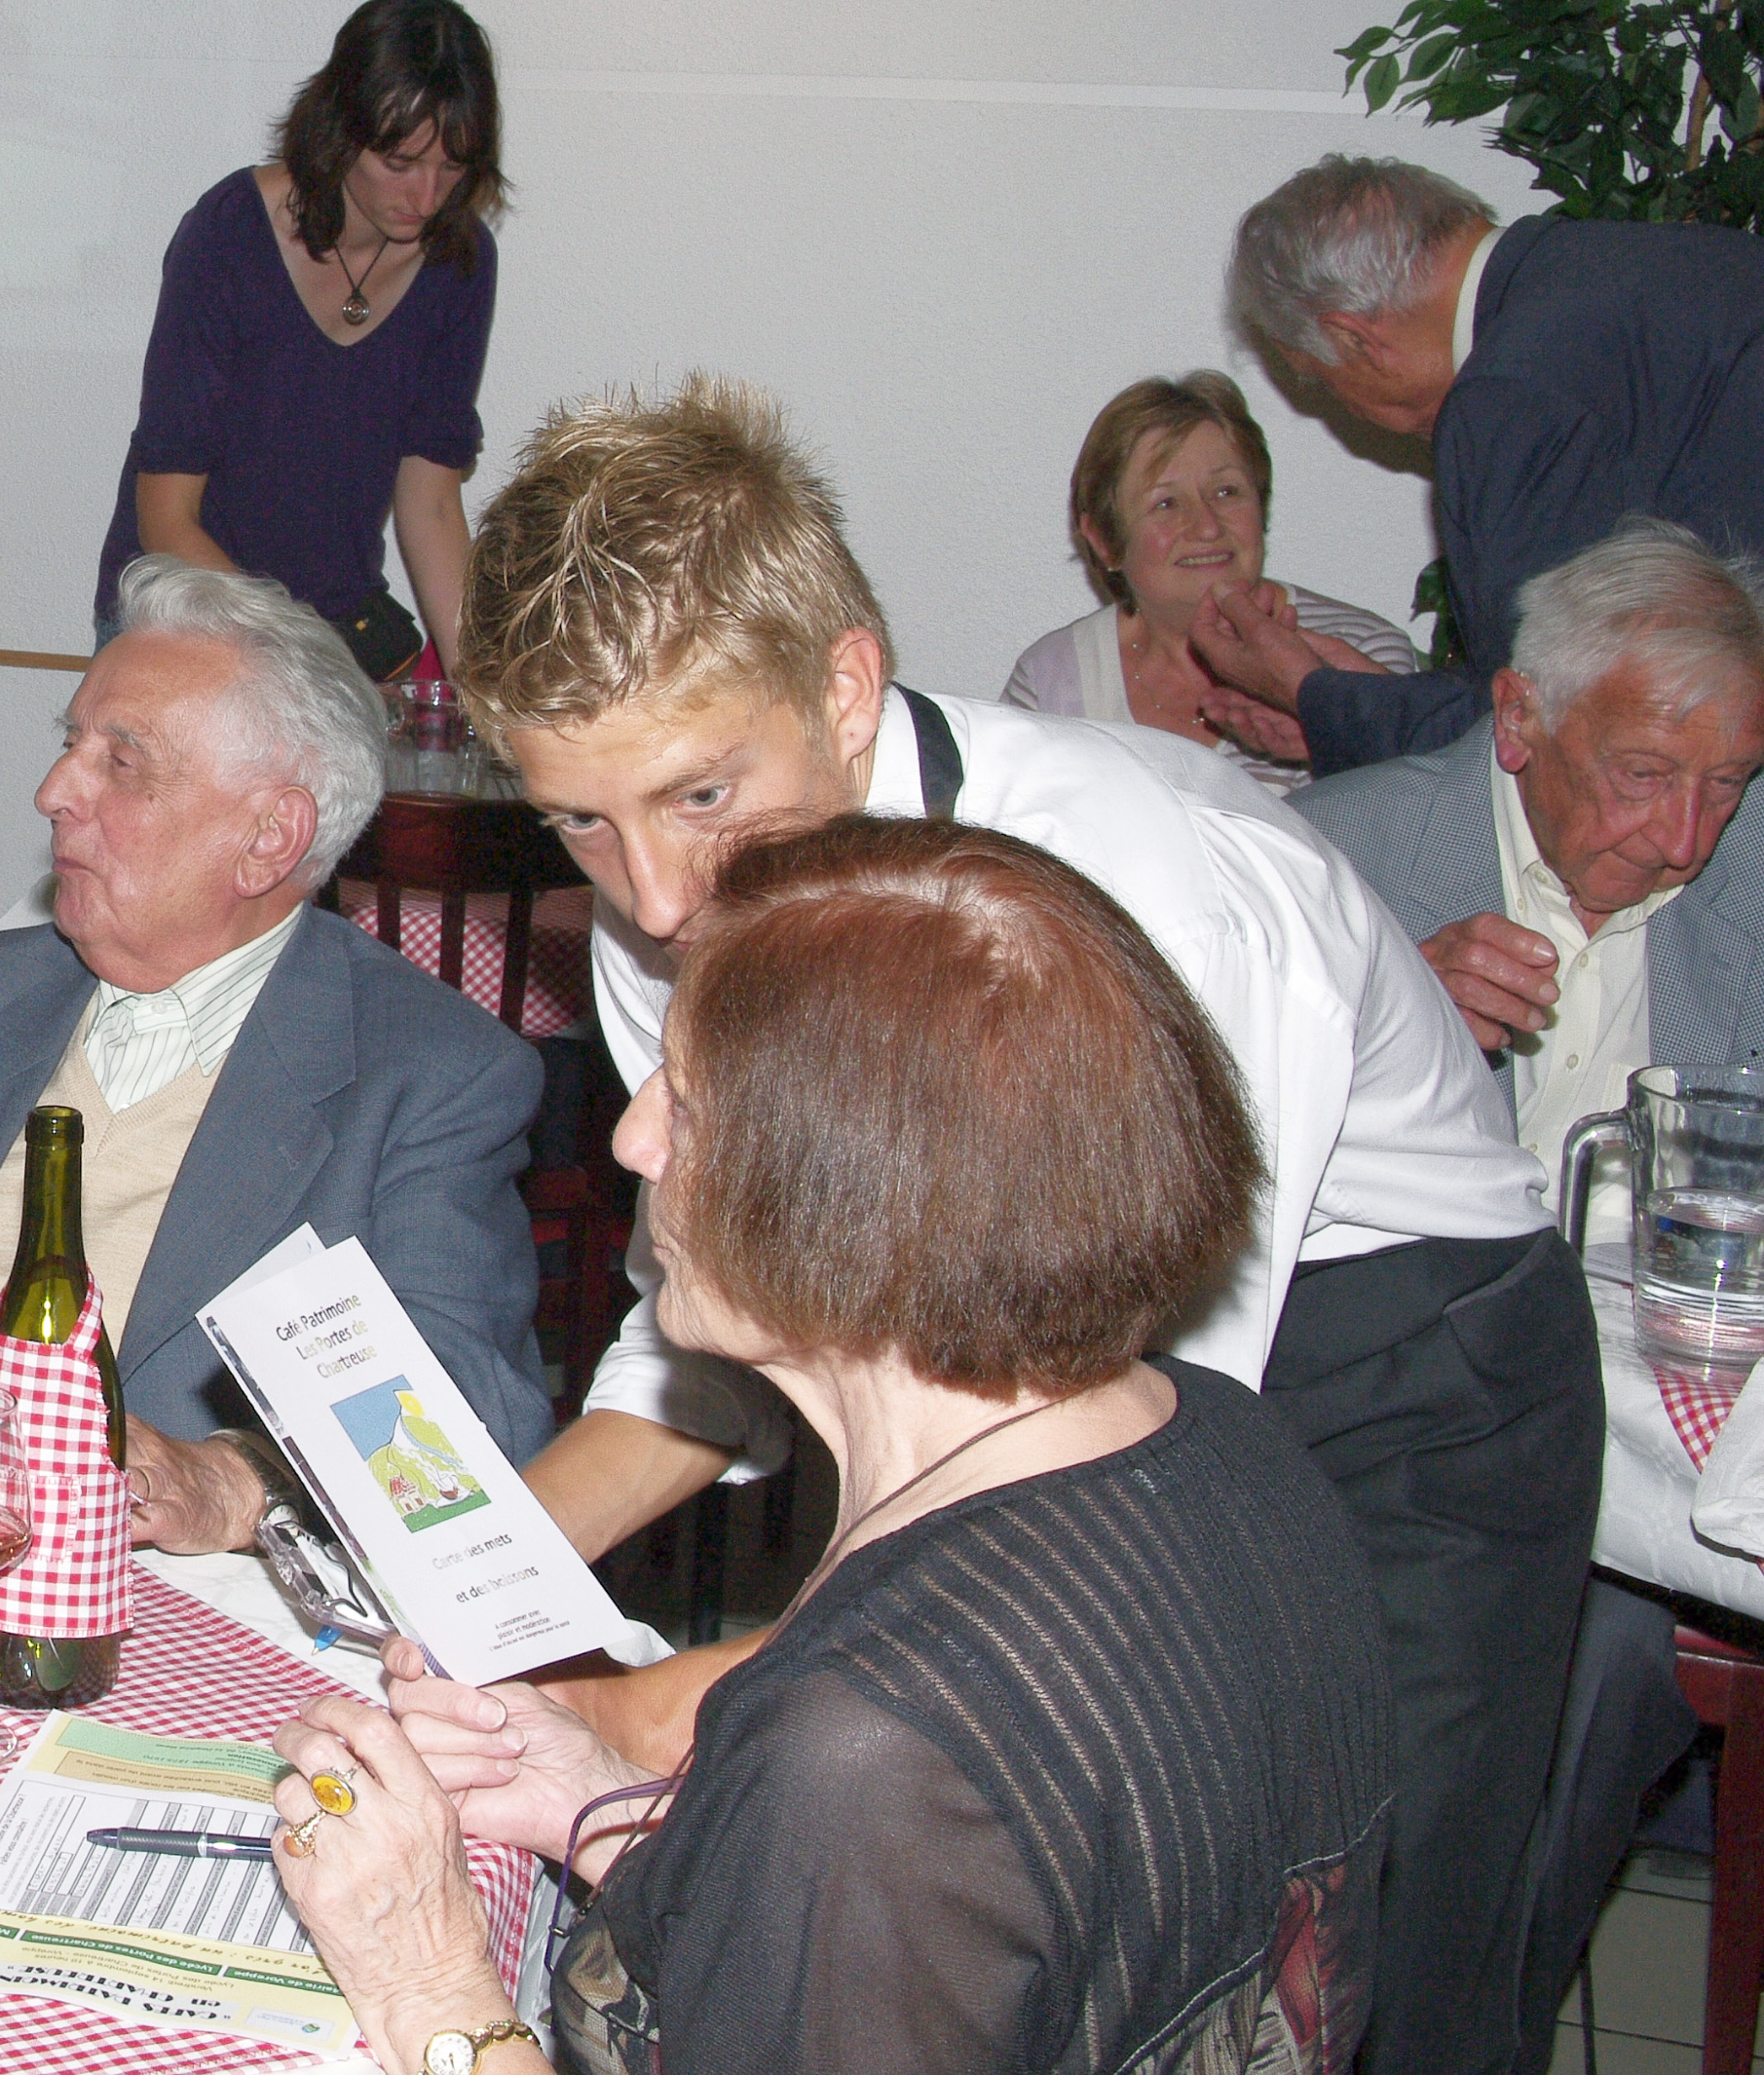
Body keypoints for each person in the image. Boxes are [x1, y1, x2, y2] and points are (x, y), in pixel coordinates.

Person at [457, 378, 1595, 2075]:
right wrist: (470, 1587)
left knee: (1371, 1973)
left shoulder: (1135, 893)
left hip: (1402, 1371)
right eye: (581, 820)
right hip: (1057, 1421)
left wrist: (646, 1709)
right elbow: (714, 1310)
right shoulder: (669, 914)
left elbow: (1103, 1513)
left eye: (700, 795)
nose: (659, 898)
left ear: (845, 686)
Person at [260, 819, 1392, 2075]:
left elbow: (899, 1839)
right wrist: (598, 1804)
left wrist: (429, 1982)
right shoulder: (1223, 1442)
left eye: (688, 1101)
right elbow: (970, 1957)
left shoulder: (870, 1746)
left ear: (851, 1190)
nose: (634, 1140)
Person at [0, 554, 549, 1553]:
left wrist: (238, 1482)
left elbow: (469, 1421)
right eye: (70, 744)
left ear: (269, 837)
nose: (53, 791)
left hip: (136, 1598)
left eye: (123, 761)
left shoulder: (425, 1076)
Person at [1201, 153, 1764, 774]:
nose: (1346, 410)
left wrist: (1313, 695)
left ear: (1354, 339)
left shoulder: (1507, 400)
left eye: (1323, 380)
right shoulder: (1683, 258)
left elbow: (1549, 725)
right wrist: (1370, 699)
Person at [1296, 517, 1764, 1150]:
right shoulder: (1325, 860)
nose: (1686, 842)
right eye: (1643, 776)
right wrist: (1385, 1028)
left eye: (1726, 783)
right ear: (1519, 717)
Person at [90, 0, 502, 675]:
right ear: (341, 131)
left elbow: (429, 502)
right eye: (400, 164)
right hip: (181, 620)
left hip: (325, 628)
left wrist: (490, 697)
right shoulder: (227, 235)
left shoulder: (459, 264)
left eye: (452, 168)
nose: (427, 198)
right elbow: (166, 519)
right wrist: (301, 665)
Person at [1000, 370, 1416, 791]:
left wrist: (1334, 726)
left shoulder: (1361, 653)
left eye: (1226, 492)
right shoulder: (1048, 684)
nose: (1207, 527)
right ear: (1105, 541)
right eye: (1167, 503)